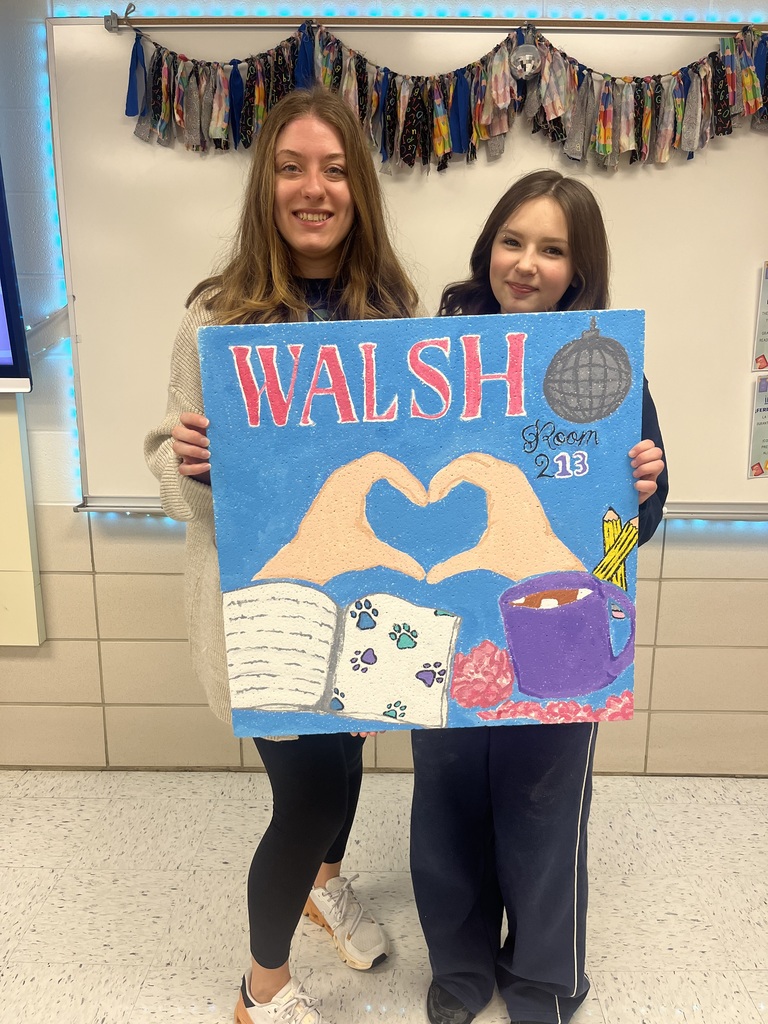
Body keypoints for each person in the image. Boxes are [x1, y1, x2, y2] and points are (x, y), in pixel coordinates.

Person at [144, 87, 419, 1024]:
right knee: (303, 793)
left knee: (345, 766)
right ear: (267, 186)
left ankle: (324, 885)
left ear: (359, 190)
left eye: (335, 170)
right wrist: (196, 469)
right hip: (267, 611)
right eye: (294, 168)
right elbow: (167, 460)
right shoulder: (217, 321)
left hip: (367, 599)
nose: (315, 188)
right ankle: (261, 990)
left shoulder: (392, 313)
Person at [409, 169, 668, 1024]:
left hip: (559, 643)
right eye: (512, 241)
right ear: (487, 248)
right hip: (448, 628)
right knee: (445, 810)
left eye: (552, 249)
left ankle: (545, 980)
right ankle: (458, 971)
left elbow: (623, 539)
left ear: (578, 268)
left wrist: (643, 497)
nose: (526, 264)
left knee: (545, 817)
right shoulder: (432, 357)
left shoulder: (606, 375)